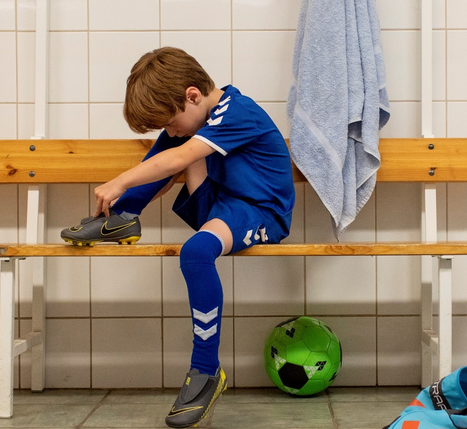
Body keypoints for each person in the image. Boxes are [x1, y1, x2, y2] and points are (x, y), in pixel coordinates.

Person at [61, 47, 295, 428]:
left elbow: (175, 161)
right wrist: (139, 182)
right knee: (177, 144)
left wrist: (120, 180)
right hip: (218, 204)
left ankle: (206, 371)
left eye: (169, 120)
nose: (168, 130)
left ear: (192, 95)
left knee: (195, 252)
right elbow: (169, 161)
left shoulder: (239, 111)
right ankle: (125, 218)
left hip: (259, 211)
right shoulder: (198, 116)